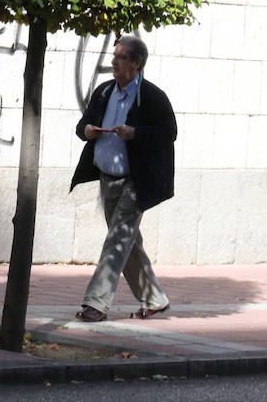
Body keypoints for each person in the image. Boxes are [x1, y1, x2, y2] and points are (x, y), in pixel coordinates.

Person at [70, 35, 176, 322]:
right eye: (114, 57)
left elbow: (169, 134)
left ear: (136, 63)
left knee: (116, 241)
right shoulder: (104, 92)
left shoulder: (152, 97)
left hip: (136, 183)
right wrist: (88, 130)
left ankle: (97, 303)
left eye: (120, 57)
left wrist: (135, 133)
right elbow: (82, 126)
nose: (113, 61)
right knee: (127, 244)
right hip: (108, 179)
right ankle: (155, 299)